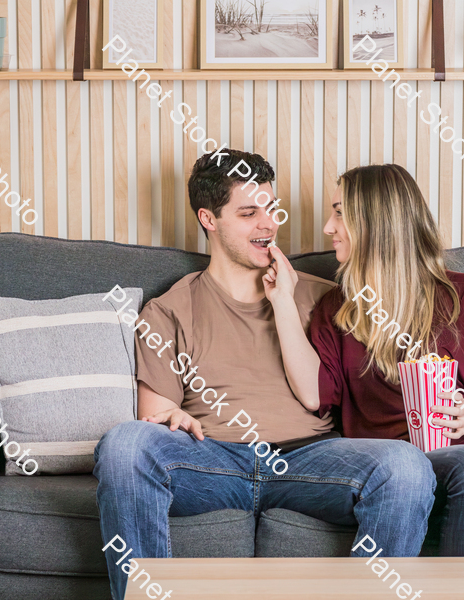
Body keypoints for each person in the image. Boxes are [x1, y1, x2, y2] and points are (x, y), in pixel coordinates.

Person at [93, 151, 437, 600]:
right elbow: (155, 417)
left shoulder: (328, 299)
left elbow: (389, 381)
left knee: (406, 467)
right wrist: (172, 417)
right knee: (124, 444)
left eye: (271, 209)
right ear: (209, 219)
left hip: (312, 460)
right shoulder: (168, 311)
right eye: (249, 212)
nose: (268, 224)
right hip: (213, 460)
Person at [271, 162, 464, 557]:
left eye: (339, 212)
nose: (328, 228)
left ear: (377, 223)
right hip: (398, 469)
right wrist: (282, 301)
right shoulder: (340, 309)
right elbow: (312, 395)